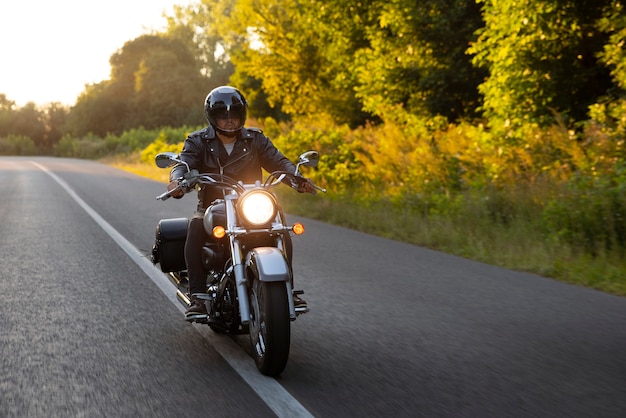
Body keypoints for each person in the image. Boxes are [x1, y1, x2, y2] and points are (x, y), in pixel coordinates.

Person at [167, 86, 315, 319]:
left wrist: (297, 179)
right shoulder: (198, 141)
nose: (229, 121)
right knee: (195, 226)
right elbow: (183, 164)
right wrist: (177, 181)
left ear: (242, 115)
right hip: (212, 206)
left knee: (280, 225)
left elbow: (278, 162)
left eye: (234, 115)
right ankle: (197, 295)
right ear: (212, 117)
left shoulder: (256, 139)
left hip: (251, 205)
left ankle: (287, 289)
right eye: (223, 116)